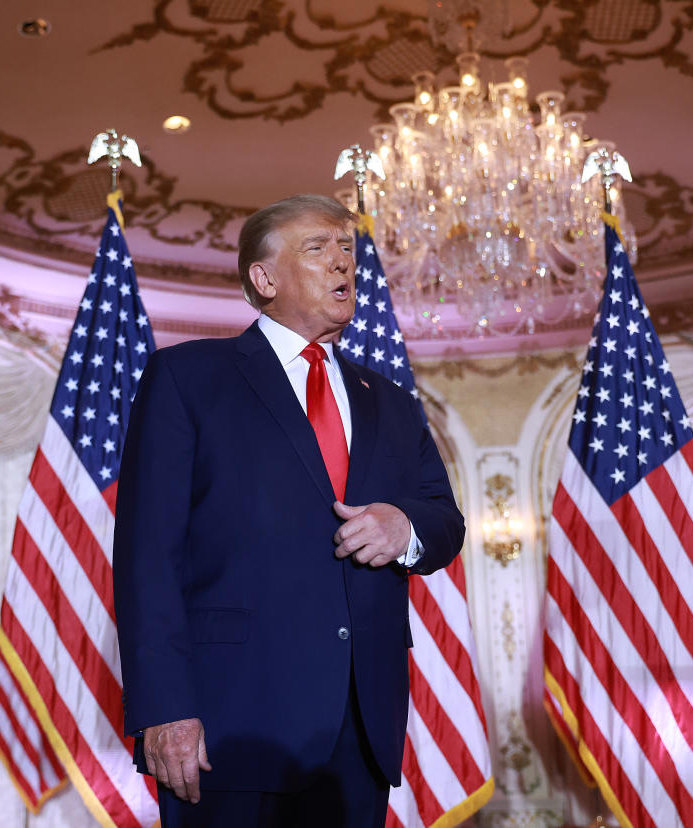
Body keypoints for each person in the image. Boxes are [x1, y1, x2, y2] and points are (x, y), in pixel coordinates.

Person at [113, 193, 465, 828]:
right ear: (264, 278)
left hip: (359, 735)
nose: (343, 265)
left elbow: (445, 520)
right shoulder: (188, 377)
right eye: (319, 249)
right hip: (226, 727)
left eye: (348, 251)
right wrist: (164, 708)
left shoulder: (386, 398)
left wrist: (404, 527)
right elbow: (147, 557)